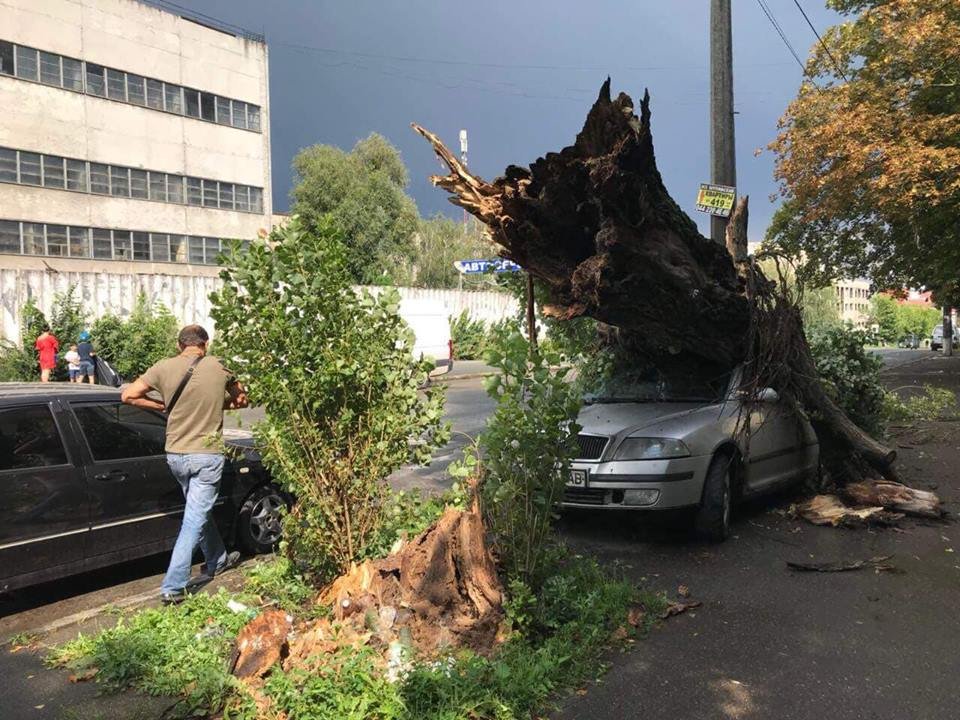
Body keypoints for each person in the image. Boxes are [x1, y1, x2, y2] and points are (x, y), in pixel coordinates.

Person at [121, 324, 249, 603]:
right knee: (194, 519)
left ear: (180, 345)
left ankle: (217, 559)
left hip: (175, 454)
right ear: (206, 344)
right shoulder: (220, 366)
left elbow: (128, 395)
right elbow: (241, 399)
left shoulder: (162, 367)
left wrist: (160, 405)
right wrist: (215, 403)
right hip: (206, 455)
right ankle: (173, 586)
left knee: (197, 511)